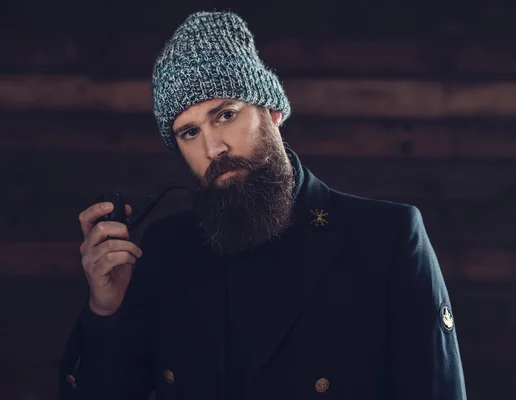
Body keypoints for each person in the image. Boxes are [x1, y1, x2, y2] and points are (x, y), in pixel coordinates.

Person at [59, 10, 467, 400]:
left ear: (272, 111)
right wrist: (106, 310)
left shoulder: (386, 240)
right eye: (188, 132)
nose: (212, 147)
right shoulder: (166, 251)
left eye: (225, 115)